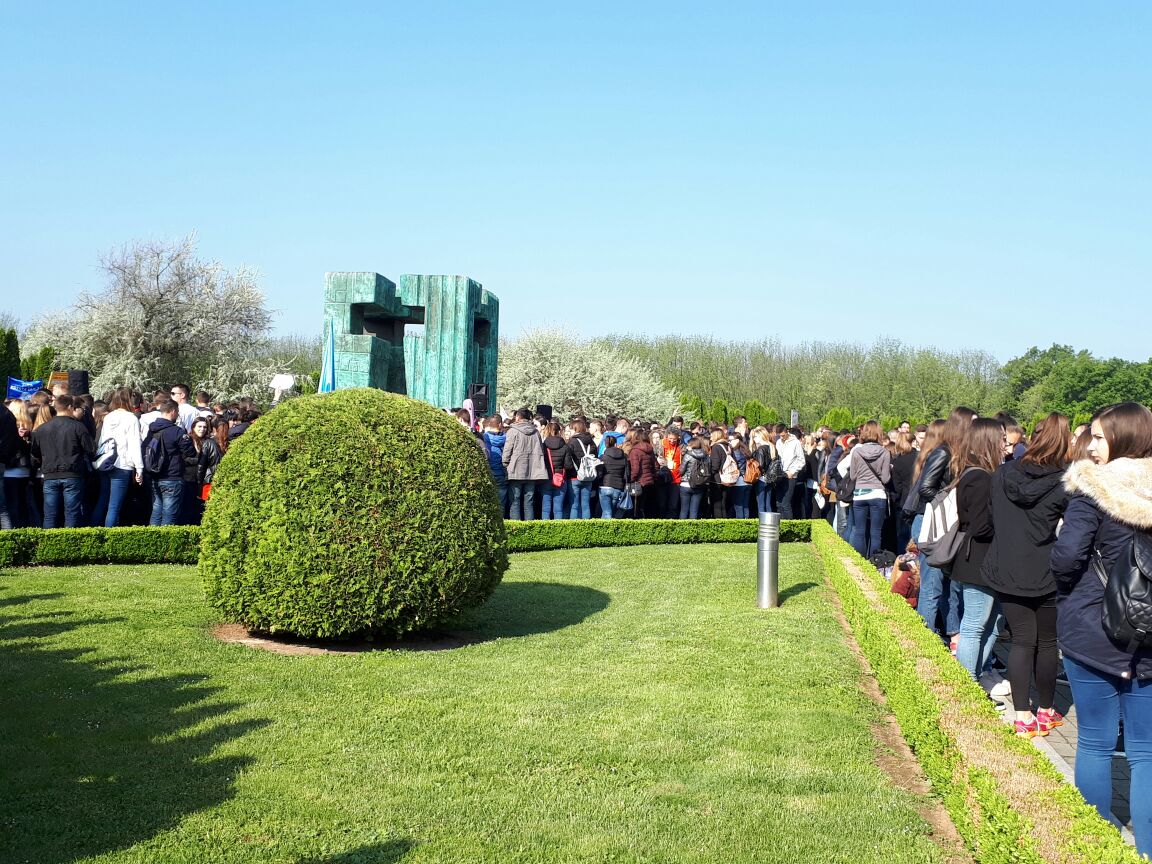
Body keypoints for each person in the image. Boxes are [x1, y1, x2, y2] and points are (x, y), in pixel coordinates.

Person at [1050, 402, 1152, 857]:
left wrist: (1069, 590)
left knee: (1094, 740)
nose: (1090, 446)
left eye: (1098, 436)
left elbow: (1066, 558)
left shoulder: (1092, 490)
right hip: (1149, 636)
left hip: (1094, 628)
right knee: (1146, 753)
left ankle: (1096, 849)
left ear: (1122, 438)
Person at [982, 413, 1070, 735]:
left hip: (1007, 565)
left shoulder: (1002, 472)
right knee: (1047, 643)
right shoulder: (1066, 481)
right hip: (1044, 568)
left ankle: (1022, 715)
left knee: (1021, 640)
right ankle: (1045, 710)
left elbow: (991, 516)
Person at [904, 409, 976, 641]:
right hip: (932, 523)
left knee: (949, 586)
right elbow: (926, 487)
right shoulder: (943, 452)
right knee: (932, 586)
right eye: (973, 424)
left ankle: (950, 632)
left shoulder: (959, 453)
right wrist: (951, 502)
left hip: (946, 525)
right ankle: (925, 639)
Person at [948, 417, 1004, 682]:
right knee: (974, 625)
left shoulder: (976, 474)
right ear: (989, 441)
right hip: (978, 561)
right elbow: (980, 526)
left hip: (983, 561)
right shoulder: (980, 478)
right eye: (1001, 439)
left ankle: (973, 678)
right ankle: (966, 683)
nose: (1005, 445)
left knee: (993, 624)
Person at [30, 395, 94, 528]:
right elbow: (91, 449)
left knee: (50, 515)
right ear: (70, 407)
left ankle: (48, 540)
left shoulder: (42, 429)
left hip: (49, 474)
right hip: (72, 474)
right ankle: (69, 540)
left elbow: (35, 452)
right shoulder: (78, 427)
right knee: (72, 513)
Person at [91, 387, 144, 528]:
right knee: (114, 506)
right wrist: (139, 468)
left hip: (106, 462)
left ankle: (92, 532)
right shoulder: (131, 418)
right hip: (122, 464)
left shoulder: (109, 417)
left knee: (102, 501)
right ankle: (110, 536)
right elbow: (134, 444)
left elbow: (102, 441)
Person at [144, 400, 197, 527]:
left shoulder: (152, 429)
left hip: (155, 476)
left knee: (156, 512)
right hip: (172, 476)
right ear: (173, 411)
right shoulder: (176, 431)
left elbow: (144, 447)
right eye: (177, 412)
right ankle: (166, 539)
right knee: (170, 515)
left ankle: (151, 537)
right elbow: (190, 452)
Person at [846, 421, 892, 559]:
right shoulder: (885, 452)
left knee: (859, 531)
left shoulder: (856, 452)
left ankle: (860, 562)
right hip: (878, 494)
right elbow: (885, 479)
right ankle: (874, 561)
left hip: (860, 495)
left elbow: (852, 476)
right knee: (876, 532)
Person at [501, 408, 547, 520]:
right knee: (529, 502)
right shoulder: (536, 432)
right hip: (532, 471)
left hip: (515, 470)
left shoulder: (513, 431)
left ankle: (516, 527)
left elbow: (507, 451)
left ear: (517, 417)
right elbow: (541, 450)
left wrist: (505, 464)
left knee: (514, 501)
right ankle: (529, 527)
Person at [566, 419, 597, 519]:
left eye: (571, 429)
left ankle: (574, 527)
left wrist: (570, 470)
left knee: (574, 505)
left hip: (574, 476)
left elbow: (568, 460)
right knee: (586, 505)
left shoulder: (572, 442)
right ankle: (586, 526)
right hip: (588, 476)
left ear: (575, 429)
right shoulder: (591, 442)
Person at [775, 425, 806, 519]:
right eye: (779, 436)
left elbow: (801, 460)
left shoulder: (796, 443)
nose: (781, 437)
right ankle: (780, 524)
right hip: (780, 475)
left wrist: (792, 471)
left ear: (787, 432)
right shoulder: (778, 442)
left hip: (790, 476)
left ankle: (789, 525)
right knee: (779, 503)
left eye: (783, 435)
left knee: (785, 503)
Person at [540, 421, 569, 520]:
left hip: (546, 478)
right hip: (560, 479)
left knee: (545, 508)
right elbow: (568, 465)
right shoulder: (565, 446)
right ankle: (558, 527)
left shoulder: (543, 446)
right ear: (558, 431)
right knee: (558, 508)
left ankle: (545, 527)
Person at [627, 427, 658, 517]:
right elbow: (656, 466)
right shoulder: (650, 449)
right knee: (646, 507)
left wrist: (630, 479)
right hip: (649, 481)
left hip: (639, 482)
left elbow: (635, 469)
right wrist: (653, 476)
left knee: (636, 508)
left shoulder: (635, 451)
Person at [481, 415, 508, 514]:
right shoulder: (506, 438)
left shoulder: (484, 438)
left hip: (489, 472)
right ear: (500, 424)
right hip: (501, 473)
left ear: (489, 424)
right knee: (501, 502)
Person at [678, 436, 709, 519]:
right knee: (694, 510)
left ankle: (682, 527)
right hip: (700, 483)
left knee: (684, 510)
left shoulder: (688, 455)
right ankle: (693, 527)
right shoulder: (705, 455)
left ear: (691, 445)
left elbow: (681, 471)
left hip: (686, 484)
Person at [599, 435, 627, 518]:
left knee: (607, 512)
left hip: (605, 485)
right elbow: (626, 474)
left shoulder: (603, 457)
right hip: (618, 486)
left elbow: (599, 473)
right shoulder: (624, 457)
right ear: (615, 444)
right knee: (611, 512)